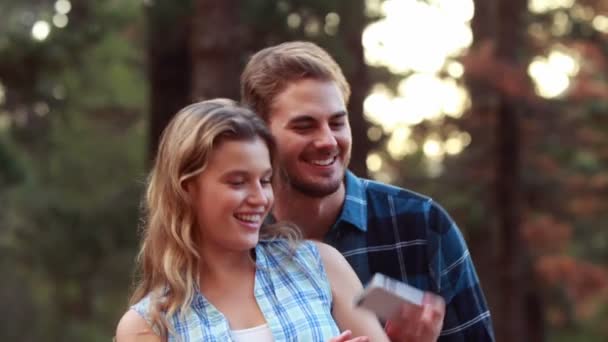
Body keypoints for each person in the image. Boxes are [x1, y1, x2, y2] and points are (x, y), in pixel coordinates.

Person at [241, 41, 495, 341]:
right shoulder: (240, 241)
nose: (328, 141)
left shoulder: (422, 226)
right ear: (261, 134)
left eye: (337, 122)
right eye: (304, 126)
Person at [115, 99, 389, 342]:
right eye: (238, 182)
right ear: (187, 188)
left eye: (265, 180)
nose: (260, 198)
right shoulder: (147, 326)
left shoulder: (321, 265)